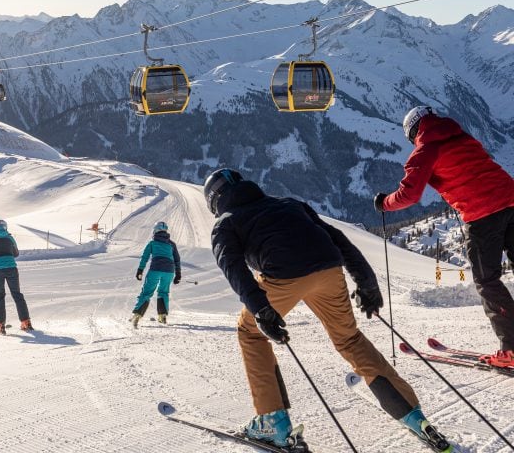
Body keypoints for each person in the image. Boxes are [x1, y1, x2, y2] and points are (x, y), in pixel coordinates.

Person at [204, 168, 453, 452]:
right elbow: (338, 239)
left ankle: (272, 421)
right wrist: (366, 283)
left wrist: (261, 311)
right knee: (349, 339)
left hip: (282, 276)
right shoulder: (289, 204)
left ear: (214, 200)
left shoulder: (225, 223)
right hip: (328, 270)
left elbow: (233, 267)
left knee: (251, 333)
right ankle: (412, 415)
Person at [374, 106, 514, 366]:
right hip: (511, 199)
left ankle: (511, 350)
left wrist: (384, 203)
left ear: (414, 131)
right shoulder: (462, 136)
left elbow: (410, 194)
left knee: (487, 280)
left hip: (483, 214)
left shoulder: (426, 150)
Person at [0, 219, 33, 334]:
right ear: (5, 227)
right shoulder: (9, 238)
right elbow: (16, 254)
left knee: (0, 296)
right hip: (11, 268)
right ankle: (26, 323)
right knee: (17, 294)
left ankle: (0, 325)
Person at [130, 221, 181, 328]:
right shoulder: (172, 244)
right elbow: (177, 259)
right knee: (163, 292)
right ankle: (162, 316)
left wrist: (140, 270)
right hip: (169, 271)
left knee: (147, 292)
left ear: (155, 231)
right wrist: (178, 274)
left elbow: (145, 257)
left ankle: (137, 315)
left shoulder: (152, 243)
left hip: (156, 269)